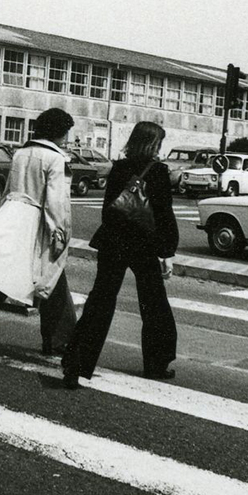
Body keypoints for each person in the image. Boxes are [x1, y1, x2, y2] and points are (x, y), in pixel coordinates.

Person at [62, 121, 179, 388]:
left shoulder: (119, 168)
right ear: (153, 145)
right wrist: (166, 251)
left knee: (101, 301)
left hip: (113, 241)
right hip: (144, 245)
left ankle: (76, 362)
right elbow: (164, 215)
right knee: (153, 303)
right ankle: (156, 363)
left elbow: (108, 209)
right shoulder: (159, 172)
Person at [0, 108, 78, 360]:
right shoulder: (56, 159)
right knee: (51, 278)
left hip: (11, 214)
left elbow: (10, 187)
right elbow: (56, 202)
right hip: (37, 223)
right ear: (58, 132)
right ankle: (61, 341)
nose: (66, 137)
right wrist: (60, 234)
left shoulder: (21, 153)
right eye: (65, 132)